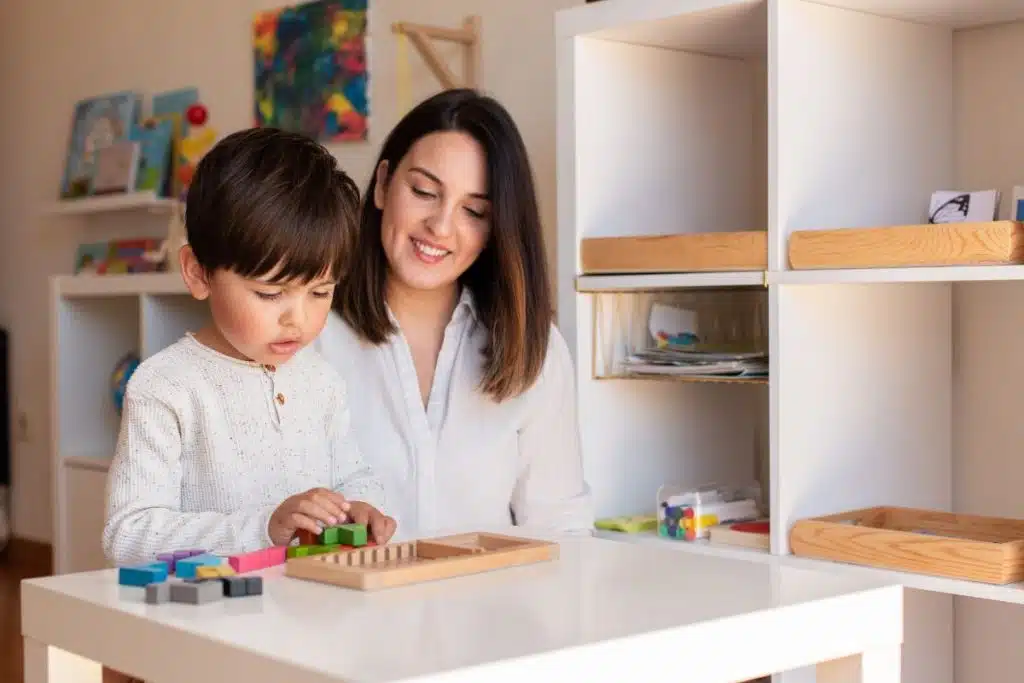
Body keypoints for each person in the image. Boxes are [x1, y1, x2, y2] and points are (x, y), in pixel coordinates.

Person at [102, 127, 397, 572]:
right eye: (270, 293)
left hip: (310, 615)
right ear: (198, 274)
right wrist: (264, 527)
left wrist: (362, 508)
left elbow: (353, 476)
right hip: (211, 622)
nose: (297, 318)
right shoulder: (165, 386)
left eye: (320, 293)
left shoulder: (321, 380)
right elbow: (128, 534)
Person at [315, 89, 594, 538]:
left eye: (473, 210)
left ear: (495, 227)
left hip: (492, 606)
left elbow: (561, 525)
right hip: (342, 604)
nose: (440, 227)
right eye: (424, 191)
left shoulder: (533, 347)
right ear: (384, 184)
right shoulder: (309, 331)